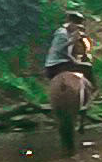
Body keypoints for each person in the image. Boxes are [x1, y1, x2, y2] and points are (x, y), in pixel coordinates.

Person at [41, 11, 96, 153]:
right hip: (56, 65)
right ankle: (91, 94)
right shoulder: (61, 33)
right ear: (70, 21)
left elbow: (69, 53)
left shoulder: (69, 32)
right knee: (88, 68)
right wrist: (72, 42)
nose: (78, 27)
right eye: (76, 23)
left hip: (61, 63)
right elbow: (59, 49)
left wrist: (75, 56)